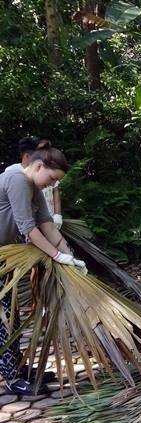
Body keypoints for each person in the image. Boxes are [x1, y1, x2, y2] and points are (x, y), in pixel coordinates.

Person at [0, 144, 86, 395]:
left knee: (12, 315)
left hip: (5, 258)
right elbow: (28, 228)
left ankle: (17, 368)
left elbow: (46, 224)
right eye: (52, 178)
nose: (51, 185)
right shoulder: (17, 179)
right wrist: (56, 255)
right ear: (39, 166)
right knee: (3, 320)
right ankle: (11, 378)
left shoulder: (33, 184)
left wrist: (71, 258)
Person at [4, 137, 63, 229]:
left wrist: (57, 215)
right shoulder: (13, 172)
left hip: (47, 219)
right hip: (27, 224)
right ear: (27, 156)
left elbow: (55, 192)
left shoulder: (46, 173)